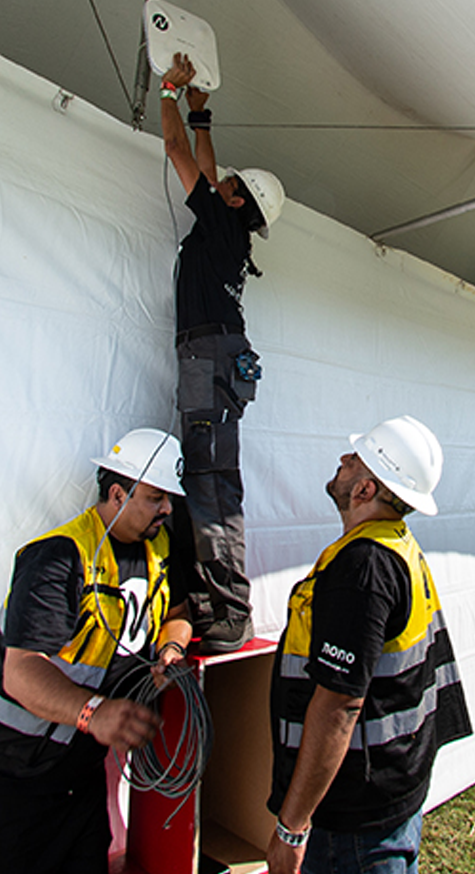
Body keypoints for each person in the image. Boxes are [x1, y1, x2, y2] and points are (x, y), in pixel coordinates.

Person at [0, 428, 194, 874]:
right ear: (116, 493)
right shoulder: (59, 557)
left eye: (169, 498)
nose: (167, 509)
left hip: (70, 782)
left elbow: (179, 610)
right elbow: (22, 672)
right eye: (155, 497)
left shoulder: (160, 549)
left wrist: (170, 647)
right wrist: (95, 713)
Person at [266, 416, 473, 874]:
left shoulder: (363, 569)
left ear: (364, 491)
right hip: (391, 796)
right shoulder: (398, 546)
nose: (342, 459)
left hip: (354, 825)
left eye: (354, 459)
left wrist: (292, 827)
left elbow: (340, 705)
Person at [159, 51, 285, 654]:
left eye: (229, 185)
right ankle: (218, 600)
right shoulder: (227, 226)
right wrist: (201, 111)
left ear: (237, 202)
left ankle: (227, 613)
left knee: (208, 482)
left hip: (206, 358)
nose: (220, 183)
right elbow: (207, 170)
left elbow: (179, 156)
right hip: (220, 357)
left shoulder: (220, 220)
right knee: (213, 477)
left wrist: (169, 92)